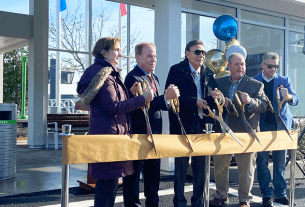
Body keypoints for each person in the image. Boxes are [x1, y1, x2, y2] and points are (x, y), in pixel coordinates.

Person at [76, 37, 154, 207]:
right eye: (116, 50)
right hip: (109, 138)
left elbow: (111, 104)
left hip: (111, 135)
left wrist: (130, 95)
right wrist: (142, 98)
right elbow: (113, 108)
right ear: (104, 52)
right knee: (107, 188)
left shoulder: (106, 72)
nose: (120, 53)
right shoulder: (104, 73)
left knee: (108, 186)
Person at [123, 42, 180, 207]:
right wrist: (165, 98)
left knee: (153, 174)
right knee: (133, 175)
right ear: (138, 57)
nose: (153, 59)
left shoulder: (154, 78)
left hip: (155, 134)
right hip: (138, 133)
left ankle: (152, 204)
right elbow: (141, 106)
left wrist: (168, 100)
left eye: (154, 56)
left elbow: (156, 105)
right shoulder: (133, 78)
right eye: (149, 56)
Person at [165, 39, 219, 207]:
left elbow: (212, 96)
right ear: (187, 54)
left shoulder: (208, 72)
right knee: (181, 167)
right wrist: (193, 101)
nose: (201, 55)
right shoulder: (176, 70)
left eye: (203, 52)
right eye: (197, 52)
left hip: (204, 127)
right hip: (182, 124)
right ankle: (179, 202)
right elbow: (171, 96)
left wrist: (216, 97)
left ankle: (198, 202)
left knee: (200, 167)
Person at [210, 53, 268, 207]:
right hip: (223, 131)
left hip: (246, 133)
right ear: (228, 66)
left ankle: (244, 200)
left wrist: (250, 101)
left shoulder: (256, 85)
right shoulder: (219, 82)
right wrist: (214, 98)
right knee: (220, 166)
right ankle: (221, 196)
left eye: (242, 64)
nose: (240, 67)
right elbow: (212, 103)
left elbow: (264, 105)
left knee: (246, 168)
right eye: (236, 64)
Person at [253, 52, 299, 207]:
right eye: (270, 66)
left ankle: (280, 193)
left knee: (280, 163)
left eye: (276, 66)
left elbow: (296, 99)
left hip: (281, 126)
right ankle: (266, 194)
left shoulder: (284, 80)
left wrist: (289, 97)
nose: (273, 69)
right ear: (263, 65)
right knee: (262, 162)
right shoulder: (255, 81)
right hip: (262, 126)